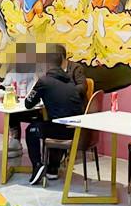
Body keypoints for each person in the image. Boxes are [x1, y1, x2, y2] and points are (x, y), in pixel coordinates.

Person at [24, 45, 85, 184]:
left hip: (61, 131)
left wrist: (38, 87)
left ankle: (37, 166)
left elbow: (28, 103)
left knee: (32, 129)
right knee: (51, 122)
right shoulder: (70, 82)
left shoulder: (44, 81)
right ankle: (52, 168)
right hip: (78, 131)